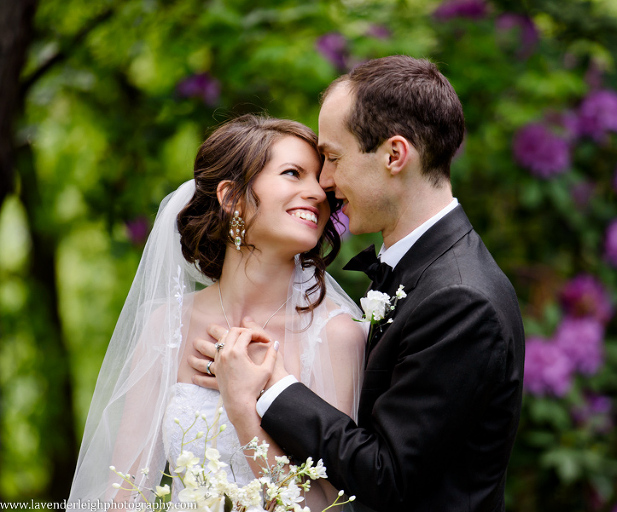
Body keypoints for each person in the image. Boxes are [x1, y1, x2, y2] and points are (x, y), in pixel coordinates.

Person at [193, 56, 525, 511]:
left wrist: (269, 387)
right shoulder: (424, 274)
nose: (325, 183)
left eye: (331, 158)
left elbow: (388, 477)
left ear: (394, 156)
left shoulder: (461, 299)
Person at [68, 115, 366, 510]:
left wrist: (243, 408)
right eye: (293, 173)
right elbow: (124, 495)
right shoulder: (167, 326)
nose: (317, 191)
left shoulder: (334, 334)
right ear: (231, 198)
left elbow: (326, 507)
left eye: (319, 178)